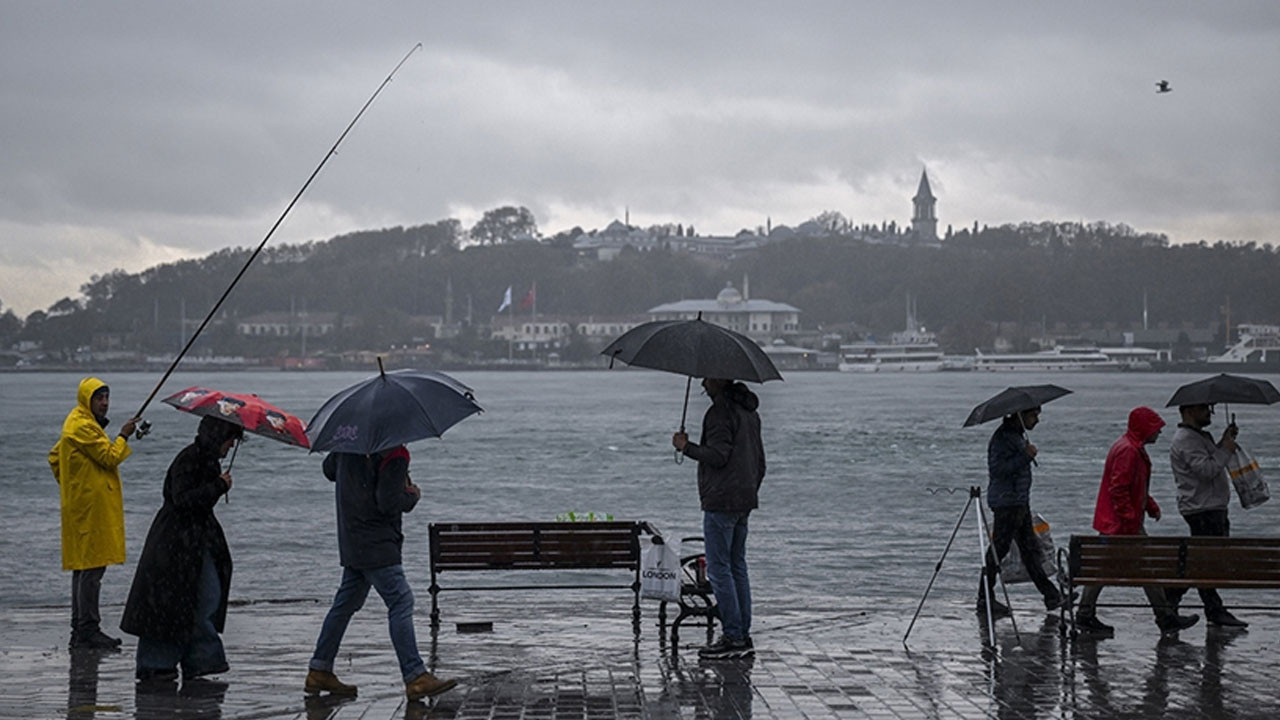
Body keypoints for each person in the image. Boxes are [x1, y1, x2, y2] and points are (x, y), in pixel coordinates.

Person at [305, 445, 457, 701]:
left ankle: (320, 669)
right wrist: (411, 495)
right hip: (378, 543)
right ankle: (415, 675)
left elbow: (329, 470)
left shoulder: (348, 446)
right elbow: (388, 502)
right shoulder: (395, 452)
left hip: (352, 539)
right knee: (400, 601)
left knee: (345, 605)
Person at [120, 416, 243, 682]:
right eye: (230, 439)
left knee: (193, 601)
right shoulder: (190, 459)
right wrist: (219, 486)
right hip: (177, 544)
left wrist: (217, 485)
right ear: (218, 436)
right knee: (184, 604)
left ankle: (191, 662)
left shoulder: (204, 459)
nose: (232, 445)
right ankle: (174, 663)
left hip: (188, 543)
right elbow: (183, 499)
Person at [1075, 407, 1200, 635]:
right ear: (1145, 428)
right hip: (1122, 525)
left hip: (1116, 524)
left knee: (1105, 569)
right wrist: (1131, 518)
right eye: (1156, 428)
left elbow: (1133, 487)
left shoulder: (1129, 447)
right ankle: (1165, 617)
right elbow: (1119, 489)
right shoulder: (1129, 451)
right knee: (1144, 569)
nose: (1159, 433)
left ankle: (1085, 614)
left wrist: (1149, 506)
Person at [672, 378, 766, 660]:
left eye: (708, 378)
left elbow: (718, 456)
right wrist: (750, 489)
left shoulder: (720, 414)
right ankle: (742, 634)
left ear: (719, 381)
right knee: (737, 566)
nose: (703, 382)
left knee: (719, 569)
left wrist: (685, 446)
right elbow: (760, 462)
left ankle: (734, 636)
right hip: (744, 499)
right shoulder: (750, 413)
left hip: (722, 500)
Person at [48, 377, 139, 650]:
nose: (104, 403)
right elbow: (110, 457)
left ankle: (80, 628)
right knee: (92, 568)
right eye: (99, 398)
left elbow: (55, 457)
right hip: (89, 511)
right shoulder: (82, 427)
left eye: (107, 398)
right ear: (87, 399)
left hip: (83, 507)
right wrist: (123, 435)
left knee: (84, 567)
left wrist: (74, 484)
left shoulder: (78, 423)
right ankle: (88, 629)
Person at [976, 407, 1066, 618]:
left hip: (1018, 502)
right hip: (1007, 503)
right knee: (1000, 550)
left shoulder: (1016, 436)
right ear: (1020, 416)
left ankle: (1051, 596)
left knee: (1029, 549)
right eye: (1034, 415)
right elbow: (998, 470)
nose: (1037, 420)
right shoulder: (1003, 439)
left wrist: (1024, 454)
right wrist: (1025, 456)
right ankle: (984, 598)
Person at [1167, 403, 1248, 627]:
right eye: (1205, 409)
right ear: (1189, 411)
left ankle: (1176, 598)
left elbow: (1211, 460)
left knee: (1204, 560)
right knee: (1205, 561)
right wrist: (1226, 449)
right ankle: (1208, 607)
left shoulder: (1199, 437)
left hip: (1211, 506)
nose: (1210, 413)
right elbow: (1207, 470)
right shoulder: (1186, 440)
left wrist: (1224, 440)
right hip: (1202, 508)